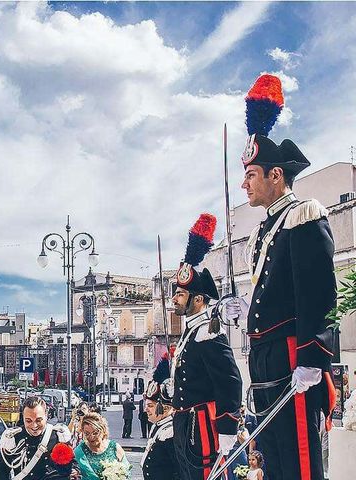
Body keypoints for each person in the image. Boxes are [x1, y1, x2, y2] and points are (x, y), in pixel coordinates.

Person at [237, 74, 336, 480]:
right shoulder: (265, 228)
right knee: (275, 459)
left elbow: (317, 293)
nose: (244, 184)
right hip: (265, 358)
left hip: (293, 354)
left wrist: (313, 356)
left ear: (275, 175)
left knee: (299, 460)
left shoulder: (303, 215)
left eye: (251, 175)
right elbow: (270, 296)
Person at [170, 213, 243, 480]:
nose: (175, 300)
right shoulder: (191, 332)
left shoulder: (208, 333)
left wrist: (227, 428)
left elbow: (230, 381)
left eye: (180, 294)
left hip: (201, 425)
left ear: (198, 299)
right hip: (185, 423)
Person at [0, 396, 78, 480]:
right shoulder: (13, 438)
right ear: (22, 417)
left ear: (46, 416)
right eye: (28, 421)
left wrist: (74, 471)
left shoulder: (58, 437)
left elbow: (71, 464)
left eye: (38, 420)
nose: (34, 425)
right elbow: (2, 472)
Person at [140, 357, 179, 480]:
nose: (146, 410)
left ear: (166, 408)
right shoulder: (159, 426)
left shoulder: (170, 432)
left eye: (151, 406)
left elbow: (178, 471)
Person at [74, 412, 130, 480]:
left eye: (95, 433)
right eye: (87, 433)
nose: (91, 437)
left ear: (103, 430)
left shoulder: (115, 447)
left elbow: (126, 471)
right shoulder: (80, 451)